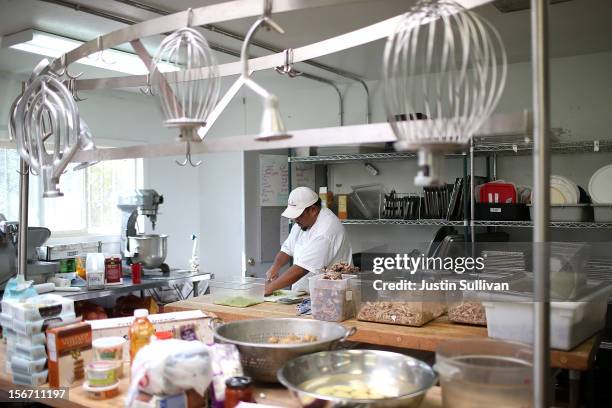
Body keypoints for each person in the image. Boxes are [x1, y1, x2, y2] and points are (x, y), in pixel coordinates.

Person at [265, 186, 352, 295]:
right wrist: (275, 267)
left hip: (331, 295)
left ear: (313, 210)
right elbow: (287, 249)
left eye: (298, 215)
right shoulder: (302, 221)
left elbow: (301, 269)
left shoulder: (326, 230)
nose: (295, 219)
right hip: (305, 294)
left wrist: (269, 288)